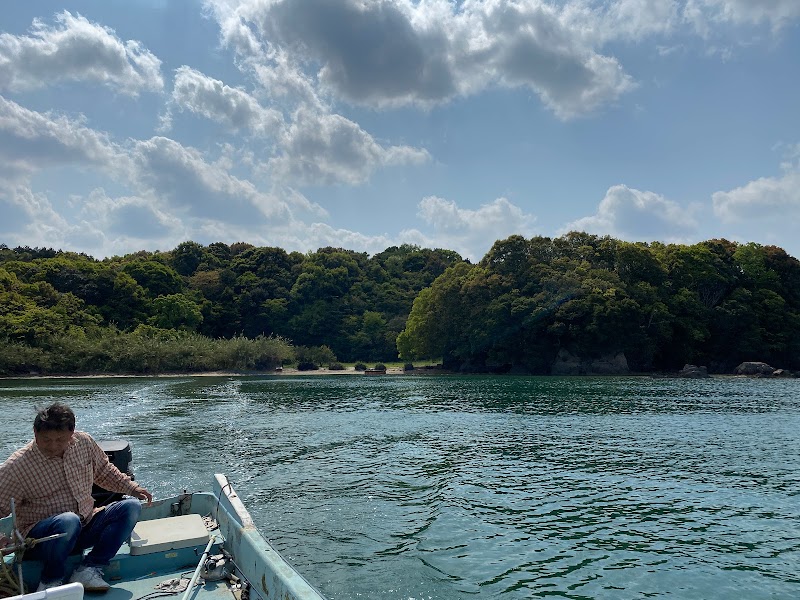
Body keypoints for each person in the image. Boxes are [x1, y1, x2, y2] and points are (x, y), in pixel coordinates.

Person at [0, 402, 152, 593]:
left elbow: (104, 472)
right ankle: (50, 581)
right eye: (46, 440)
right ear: (35, 433)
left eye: (60, 439)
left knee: (130, 507)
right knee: (68, 520)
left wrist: (133, 488)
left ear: (72, 433)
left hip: (84, 525)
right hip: (42, 541)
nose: (53, 446)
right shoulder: (17, 466)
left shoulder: (84, 443)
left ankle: (89, 568)